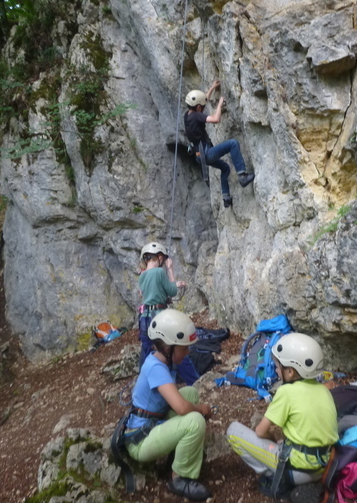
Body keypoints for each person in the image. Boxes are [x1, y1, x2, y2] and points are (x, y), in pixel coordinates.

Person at [227, 332, 338, 501]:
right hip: (324, 467)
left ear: (290, 371)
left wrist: (271, 439)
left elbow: (260, 431)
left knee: (233, 431)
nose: (276, 370)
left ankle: (276, 479)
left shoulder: (286, 392)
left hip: (297, 470)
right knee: (284, 443)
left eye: (278, 366)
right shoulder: (324, 390)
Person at [125, 308, 213, 501]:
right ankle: (180, 478)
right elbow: (181, 408)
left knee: (190, 393)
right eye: (183, 348)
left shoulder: (162, 362)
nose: (187, 352)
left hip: (152, 424)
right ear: (168, 347)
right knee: (195, 421)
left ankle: (179, 454)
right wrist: (201, 409)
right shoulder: (156, 368)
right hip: (140, 441)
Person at [184, 80, 255, 208]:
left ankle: (226, 198)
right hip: (207, 153)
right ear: (198, 108)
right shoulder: (197, 116)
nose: (203, 108)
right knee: (233, 144)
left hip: (199, 156)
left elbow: (202, 100)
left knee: (225, 168)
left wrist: (212, 88)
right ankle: (242, 176)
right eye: (202, 107)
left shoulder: (187, 115)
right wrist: (220, 105)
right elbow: (215, 119)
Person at [138, 242, 199, 385]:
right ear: (159, 257)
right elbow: (172, 291)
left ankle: (145, 382)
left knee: (147, 351)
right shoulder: (159, 272)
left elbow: (147, 293)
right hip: (159, 316)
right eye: (163, 259)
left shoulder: (142, 276)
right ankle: (195, 381)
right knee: (175, 347)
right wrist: (170, 270)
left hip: (144, 318)